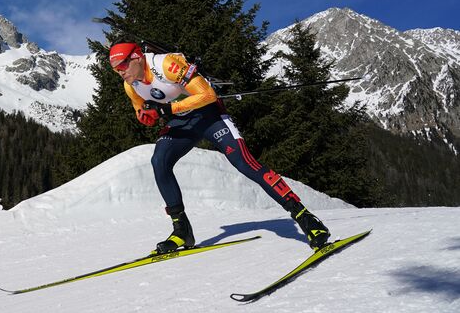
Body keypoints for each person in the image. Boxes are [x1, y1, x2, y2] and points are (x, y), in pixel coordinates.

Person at [109, 41, 330, 253]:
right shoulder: (130, 85)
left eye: (123, 65)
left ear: (137, 57)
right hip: (181, 121)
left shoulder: (166, 65)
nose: (121, 72)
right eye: (116, 69)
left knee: (244, 163)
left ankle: (305, 217)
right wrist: (146, 116)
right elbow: (141, 110)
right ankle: (182, 230)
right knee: (159, 161)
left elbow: (207, 95)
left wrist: (167, 110)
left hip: (210, 115)